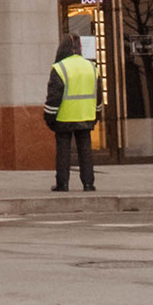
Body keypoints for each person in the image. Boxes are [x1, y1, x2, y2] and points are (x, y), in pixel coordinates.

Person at [46, 32, 100, 192]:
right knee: (85, 150)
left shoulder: (59, 68)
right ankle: (88, 184)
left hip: (64, 116)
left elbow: (54, 97)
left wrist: (49, 117)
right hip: (86, 115)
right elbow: (98, 95)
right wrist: (97, 114)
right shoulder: (92, 67)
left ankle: (62, 184)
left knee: (63, 151)